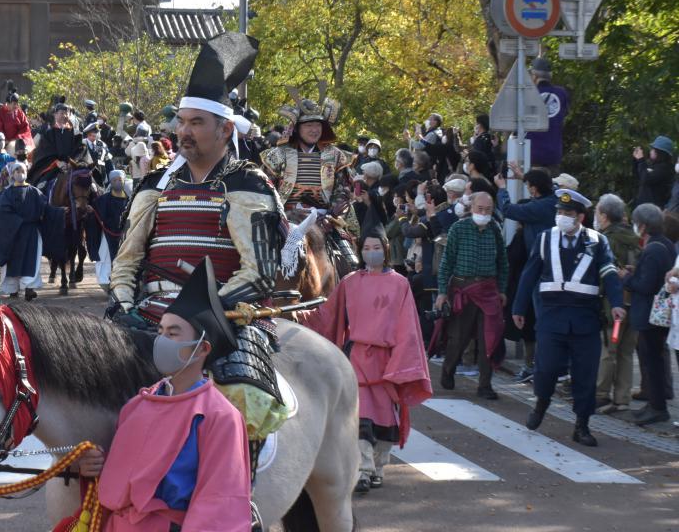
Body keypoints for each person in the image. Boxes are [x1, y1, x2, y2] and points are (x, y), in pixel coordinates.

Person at [110, 32, 288, 452]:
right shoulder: (156, 183)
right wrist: (121, 302)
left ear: (225, 129)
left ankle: (241, 499)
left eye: (196, 123)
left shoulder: (248, 183)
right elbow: (127, 260)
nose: (183, 132)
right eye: (181, 122)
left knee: (246, 399)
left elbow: (259, 273)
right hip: (146, 314)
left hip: (222, 320)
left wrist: (203, 312)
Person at [79, 259, 252, 532]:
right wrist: (94, 466)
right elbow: (121, 481)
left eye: (173, 333)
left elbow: (220, 503)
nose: (161, 340)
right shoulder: (136, 406)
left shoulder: (220, 416)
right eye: (160, 332)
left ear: (202, 348)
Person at [298, 230, 432, 494]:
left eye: (376, 246)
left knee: (385, 420)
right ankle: (363, 469)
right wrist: (297, 314)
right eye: (367, 247)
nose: (372, 251)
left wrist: (402, 362)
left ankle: (378, 467)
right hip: (357, 356)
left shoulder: (400, 283)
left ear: (385, 249)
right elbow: (327, 315)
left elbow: (408, 328)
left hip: (387, 359)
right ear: (360, 252)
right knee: (362, 417)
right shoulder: (349, 281)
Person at [513, 189, 625, 446]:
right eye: (560, 212)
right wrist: (519, 308)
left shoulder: (598, 241)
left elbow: (609, 272)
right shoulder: (544, 239)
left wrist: (617, 303)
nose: (562, 217)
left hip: (585, 318)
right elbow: (529, 275)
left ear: (580, 217)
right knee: (546, 369)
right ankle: (541, 405)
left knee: (586, 375)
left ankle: (582, 425)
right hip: (552, 317)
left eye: (568, 213)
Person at [435, 192, 508, 400]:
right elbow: (446, 262)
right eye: (480, 209)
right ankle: (448, 370)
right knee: (458, 338)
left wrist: (501, 289)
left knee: (489, 339)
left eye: (488, 210)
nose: (484, 213)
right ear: (471, 208)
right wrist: (442, 292)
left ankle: (485, 385)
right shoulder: (458, 228)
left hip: (488, 290)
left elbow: (503, 263)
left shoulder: (495, 229)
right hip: (462, 289)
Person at [260, 93, 352, 224]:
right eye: (309, 125)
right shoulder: (278, 155)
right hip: (285, 219)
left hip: (325, 219)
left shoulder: (335, 155)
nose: (314, 130)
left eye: (318, 125)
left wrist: (332, 212)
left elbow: (342, 189)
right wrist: (281, 214)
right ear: (297, 128)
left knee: (346, 243)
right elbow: (266, 189)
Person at [624, 203, 675, 425]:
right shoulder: (665, 244)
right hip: (659, 312)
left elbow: (645, 285)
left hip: (649, 314)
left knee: (650, 359)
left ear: (643, 226)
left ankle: (657, 407)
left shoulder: (653, 248)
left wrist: (626, 278)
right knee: (653, 358)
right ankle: (654, 403)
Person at [593, 193, 642, 413]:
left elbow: (604, 275)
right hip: (635, 303)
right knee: (626, 351)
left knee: (608, 349)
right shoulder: (635, 239)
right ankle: (622, 398)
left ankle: (601, 394)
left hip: (613, 306)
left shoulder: (605, 240)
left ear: (604, 216)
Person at [0, 162, 49, 301]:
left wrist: (61, 212)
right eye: (16, 171)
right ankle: (13, 289)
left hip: (31, 233)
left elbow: (46, 209)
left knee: (32, 260)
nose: (20, 173)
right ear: (12, 174)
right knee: (13, 261)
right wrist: (18, 221)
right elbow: (4, 213)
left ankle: (29, 288)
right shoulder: (6, 194)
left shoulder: (35, 192)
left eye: (22, 170)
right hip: (12, 234)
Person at [524, 57, 570, 174]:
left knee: (534, 188)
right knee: (551, 187)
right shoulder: (561, 93)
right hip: (554, 152)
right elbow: (563, 115)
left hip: (532, 152)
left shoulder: (528, 94)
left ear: (534, 76)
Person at [87, 169, 130, 293]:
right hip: (107, 236)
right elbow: (96, 212)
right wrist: (91, 211)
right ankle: (106, 284)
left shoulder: (130, 200)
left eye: (120, 180)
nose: (117, 182)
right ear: (111, 182)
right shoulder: (103, 200)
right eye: (115, 180)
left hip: (125, 236)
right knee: (105, 258)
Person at [633, 136, 675, 208]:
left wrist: (641, 160)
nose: (651, 151)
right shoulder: (654, 164)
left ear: (660, 152)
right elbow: (639, 175)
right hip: (644, 207)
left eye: (653, 149)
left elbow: (646, 179)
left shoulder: (664, 168)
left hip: (653, 210)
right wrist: (636, 160)